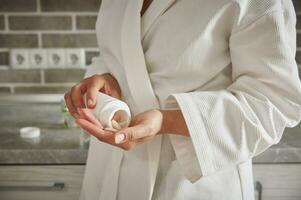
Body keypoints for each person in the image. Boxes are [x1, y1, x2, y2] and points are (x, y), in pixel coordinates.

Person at [64, 0, 301, 199]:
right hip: (108, 174)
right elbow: (118, 53)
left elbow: (275, 101)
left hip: (191, 184)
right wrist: (104, 81)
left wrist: (167, 120)